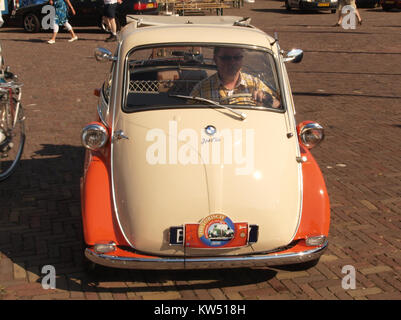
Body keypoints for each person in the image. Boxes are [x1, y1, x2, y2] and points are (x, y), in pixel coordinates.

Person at [190, 47, 280, 108]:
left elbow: (277, 106)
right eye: (225, 58)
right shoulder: (201, 90)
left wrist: (268, 99)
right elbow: (189, 117)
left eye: (237, 57)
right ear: (215, 59)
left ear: (242, 60)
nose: (232, 63)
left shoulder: (255, 84)